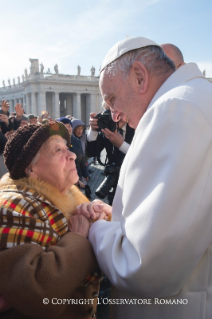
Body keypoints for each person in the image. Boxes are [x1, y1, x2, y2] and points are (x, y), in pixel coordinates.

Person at [74, 36, 212, 319]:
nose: (114, 114)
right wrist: (119, 219)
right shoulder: (197, 97)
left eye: (112, 98)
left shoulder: (175, 108)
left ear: (139, 76)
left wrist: (97, 229)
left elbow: (145, 265)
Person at [0, 121, 105, 318]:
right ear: (31, 167)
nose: (72, 155)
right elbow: (38, 291)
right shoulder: (11, 206)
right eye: (58, 150)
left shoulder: (71, 197)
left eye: (68, 148)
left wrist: (101, 213)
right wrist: (79, 238)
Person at [86, 106, 134, 205]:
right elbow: (91, 153)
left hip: (134, 183)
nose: (116, 118)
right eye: (112, 112)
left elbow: (143, 156)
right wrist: (93, 130)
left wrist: (121, 145)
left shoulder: (137, 127)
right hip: (115, 183)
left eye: (119, 113)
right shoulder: (107, 127)